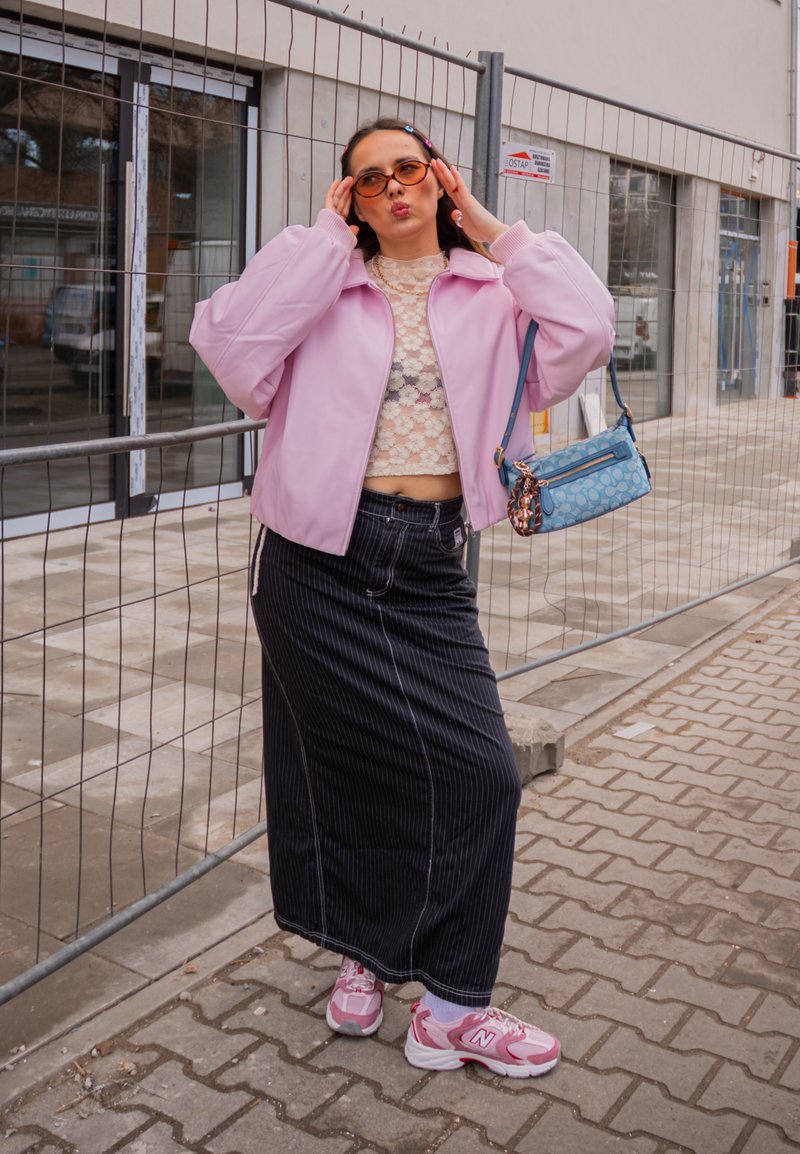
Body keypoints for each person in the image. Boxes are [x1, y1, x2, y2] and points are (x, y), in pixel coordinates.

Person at [190, 117, 615, 1078]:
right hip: (310, 563)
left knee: (480, 775)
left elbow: (588, 328)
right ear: (351, 197)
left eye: (409, 170)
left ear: (439, 179)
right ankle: (370, 959)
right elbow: (227, 349)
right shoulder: (322, 287)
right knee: (344, 770)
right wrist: (319, 243)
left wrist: (493, 226)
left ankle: (450, 1008)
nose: (392, 188)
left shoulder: (495, 294)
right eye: (368, 178)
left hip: (428, 563)